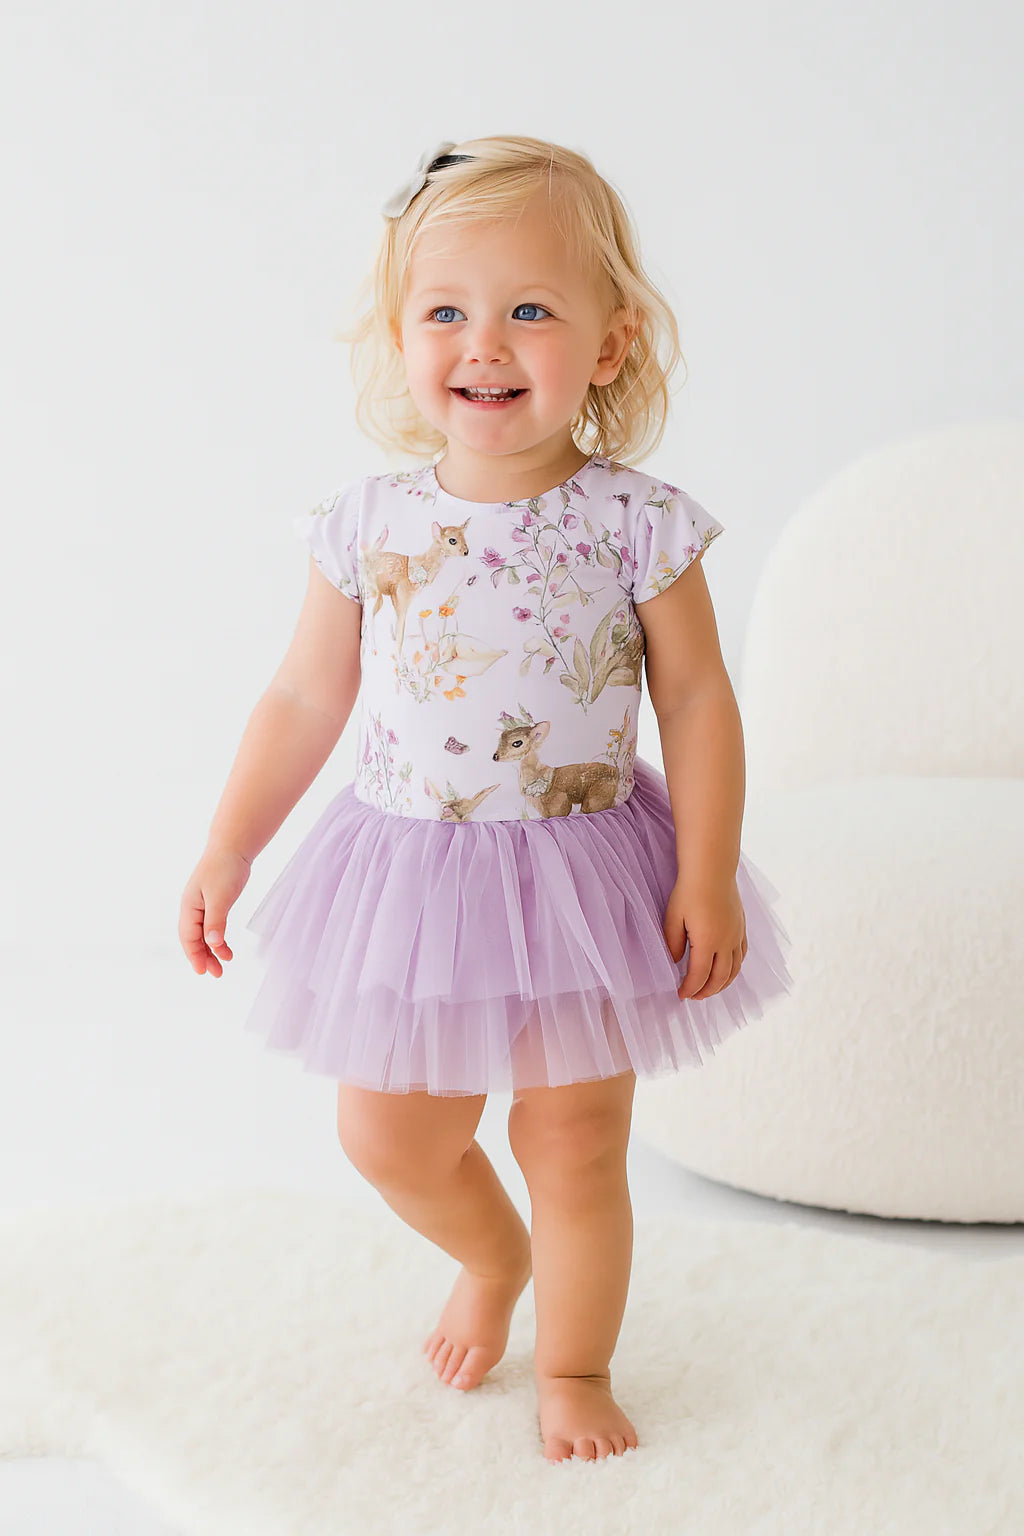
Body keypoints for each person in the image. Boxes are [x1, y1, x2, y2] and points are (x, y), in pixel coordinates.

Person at [178, 135, 793, 1465]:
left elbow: (697, 700)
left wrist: (707, 867)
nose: (486, 344)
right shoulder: (366, 523)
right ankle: (491, 1255)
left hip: (586, 870)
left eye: (531, 309)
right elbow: (303, 696)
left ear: (611, 345)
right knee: (388, 1131)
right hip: (412, 875)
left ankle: (575, 1364)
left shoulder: (640, 523)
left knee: (575, 1137)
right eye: (447, 311)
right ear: (401, 335)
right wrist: (230, 842)